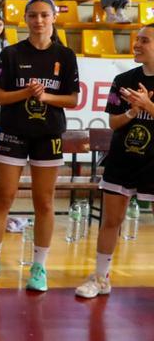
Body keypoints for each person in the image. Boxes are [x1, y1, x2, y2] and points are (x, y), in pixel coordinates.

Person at [0, 0, 80, 292]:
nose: (38, 21)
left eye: (44, 15)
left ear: (53, 18)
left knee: (44, 202)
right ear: (25, 19)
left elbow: (73, 99)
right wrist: (25, 93)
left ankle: (39, 267)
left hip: (48, 135)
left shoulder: (66, 55)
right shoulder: (10, 53)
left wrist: (45, 97)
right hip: (13, 133)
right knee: (4, 197)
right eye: (32, 16)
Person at [76, 24, 154, 299]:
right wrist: (133, 111)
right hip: (122, 159)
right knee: (111, 220)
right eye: (137, 39)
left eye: (144, 40)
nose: (137, 44)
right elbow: (112, 121)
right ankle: (101, 277)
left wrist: (150, 107)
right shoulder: (122, 79)